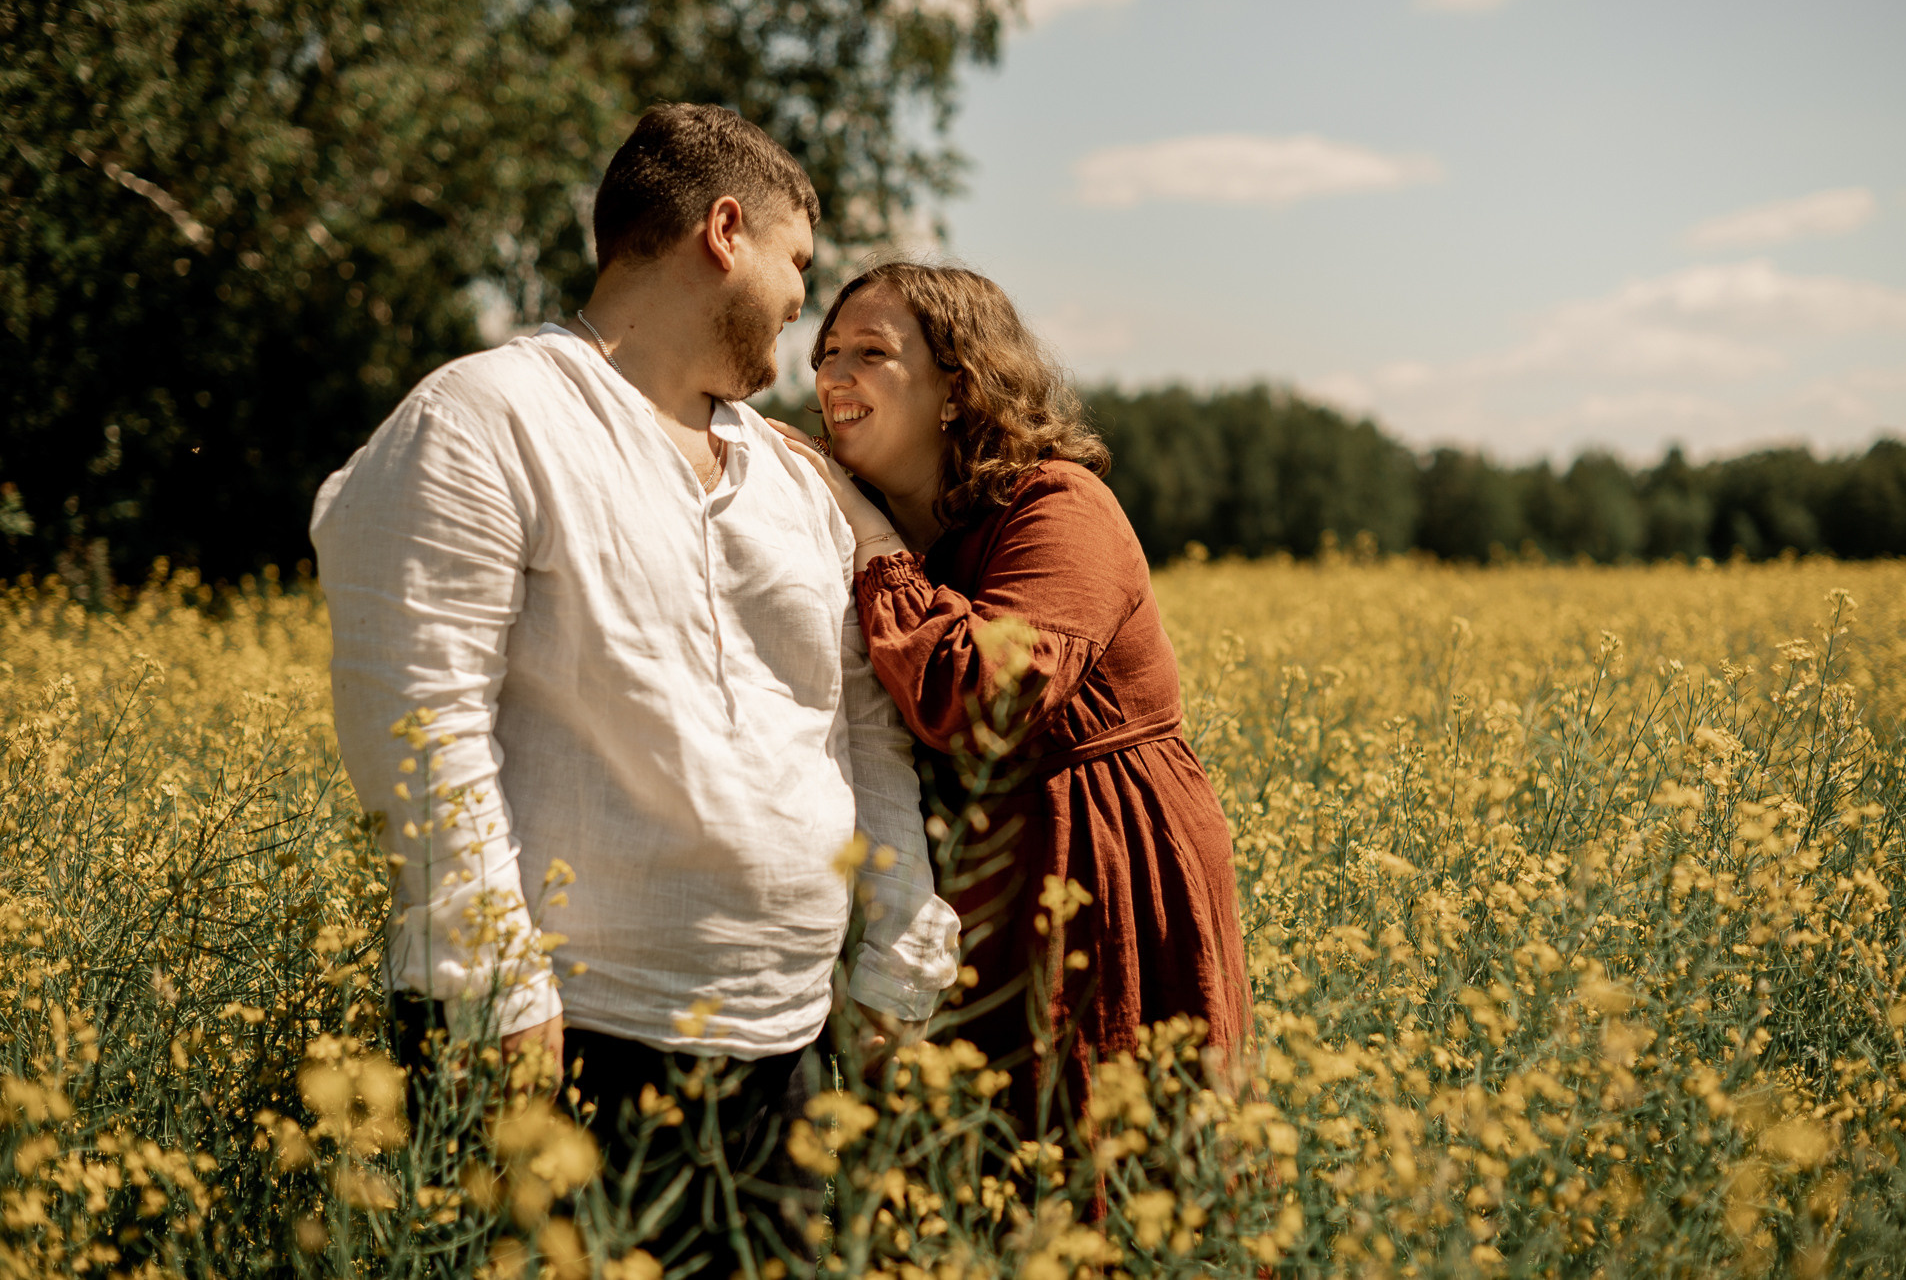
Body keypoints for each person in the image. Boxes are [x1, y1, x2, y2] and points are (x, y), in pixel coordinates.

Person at [311, 105, 959, 1274]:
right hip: (571, 1036)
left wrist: (895, 954)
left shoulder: (784, 475)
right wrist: (498, 989)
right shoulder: (483, 417)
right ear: (724, 230)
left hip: (781, 1044)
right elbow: (419, 721)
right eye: (795, 264)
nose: (801, 306)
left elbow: (862, 730)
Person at [769, 262, 1250, 1132]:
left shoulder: (1061, 505)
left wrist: (873, 540)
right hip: (966, 891)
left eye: (870, 352)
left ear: (959, 386)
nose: (833, 376)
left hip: (1100, 865)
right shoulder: (853, 523)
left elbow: (981, 697)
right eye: (826, 353)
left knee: (1104, 1155)